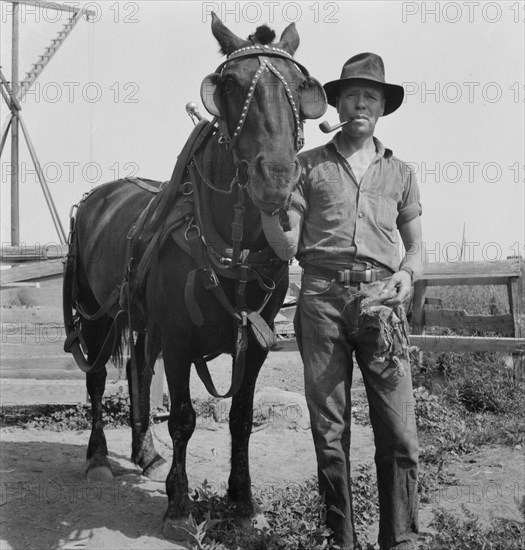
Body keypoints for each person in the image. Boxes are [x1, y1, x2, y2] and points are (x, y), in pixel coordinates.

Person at [261, 52, 422, 550]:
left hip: (381, 302)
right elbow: (287, 245)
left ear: (381, 107)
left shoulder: (401, 173)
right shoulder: (307, 167)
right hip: (322, 298)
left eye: (369, 96)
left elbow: (415, 247)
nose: (359, 104)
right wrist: (268, 206)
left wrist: (409, 276)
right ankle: (340, 540)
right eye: (351, 94)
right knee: (330, 432)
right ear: (338, 101)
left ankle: (400, 540)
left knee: (399, 433)